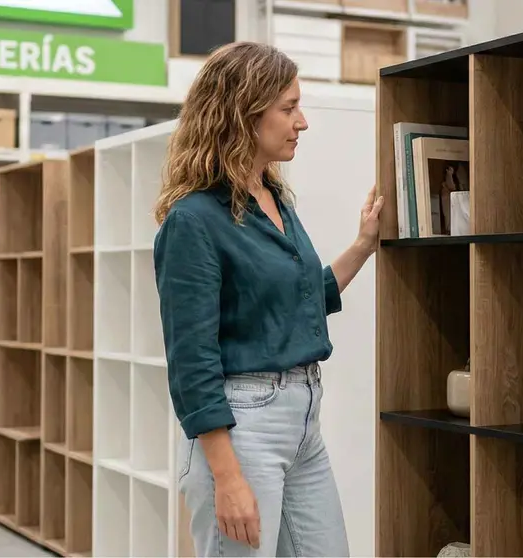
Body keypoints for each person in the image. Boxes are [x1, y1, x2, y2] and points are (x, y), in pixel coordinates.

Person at [152, 41, 383, 557]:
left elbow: (300, 302)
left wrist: (364, 246)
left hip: (304, 420)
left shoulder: (273, 198)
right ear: (243, 114)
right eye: (288, 107)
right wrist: (227, 478)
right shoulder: (193, 220)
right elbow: (191, 361)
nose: (301, 121)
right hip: (243, 427)